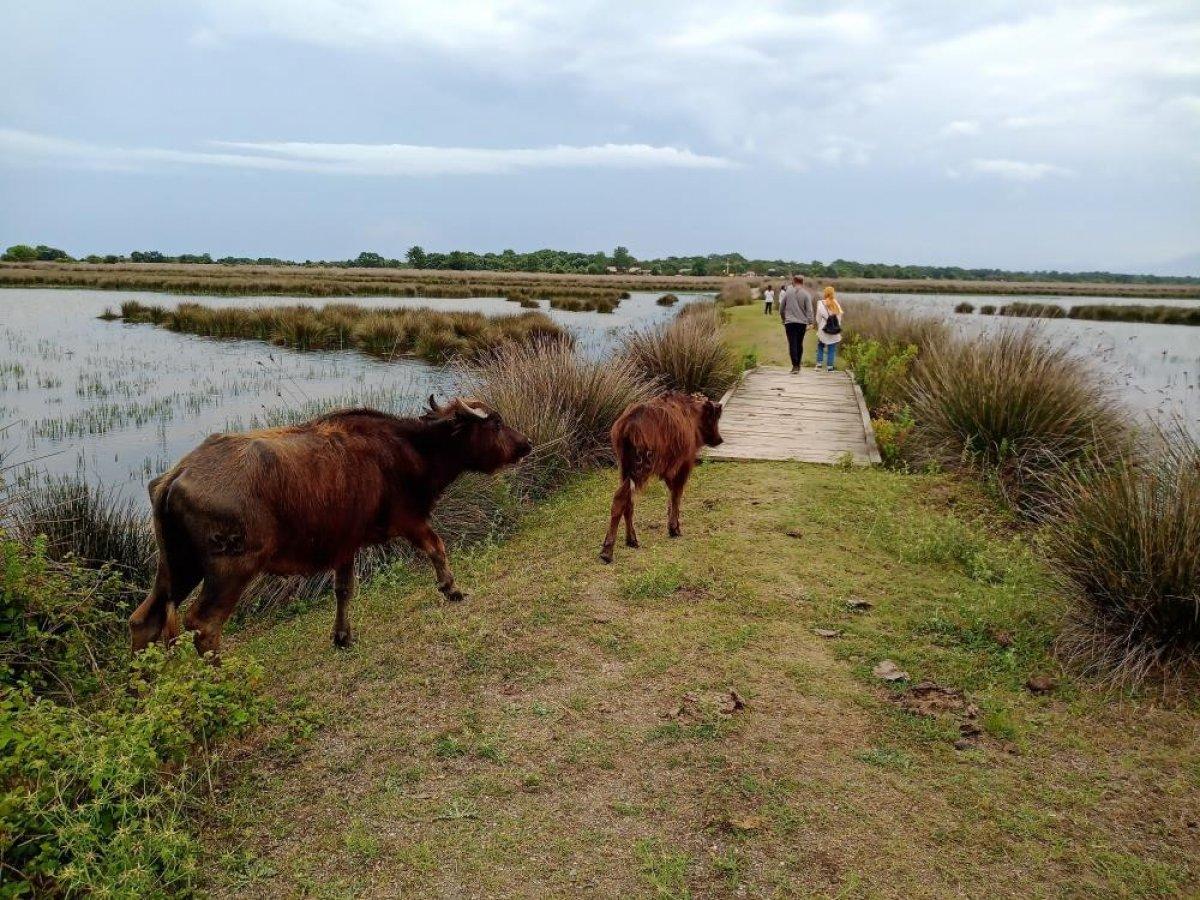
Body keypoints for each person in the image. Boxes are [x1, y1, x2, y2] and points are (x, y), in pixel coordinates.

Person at [778, 275, 814, 373]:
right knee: (799, 343)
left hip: (789, 322)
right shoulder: (806, 294)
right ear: (802, 282)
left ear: (794, 281)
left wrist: (783, 318)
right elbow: (809, 310)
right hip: (802, 323)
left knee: (792, 343)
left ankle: (795, 366)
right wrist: (810, 322)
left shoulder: (787, 293)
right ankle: (798, 364)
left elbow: (781, 308)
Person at [816, 285, 843, 371]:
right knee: (832, 347)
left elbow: (818, 318)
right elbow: (839, 317)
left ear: (825, 293)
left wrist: (820, 324)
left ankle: (819, 364)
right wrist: (835, 325)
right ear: (833, 294)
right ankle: (830, 367)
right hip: (833, 329)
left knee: (820, 345)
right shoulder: (836, 303)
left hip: (823, 328)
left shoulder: (820, 303)